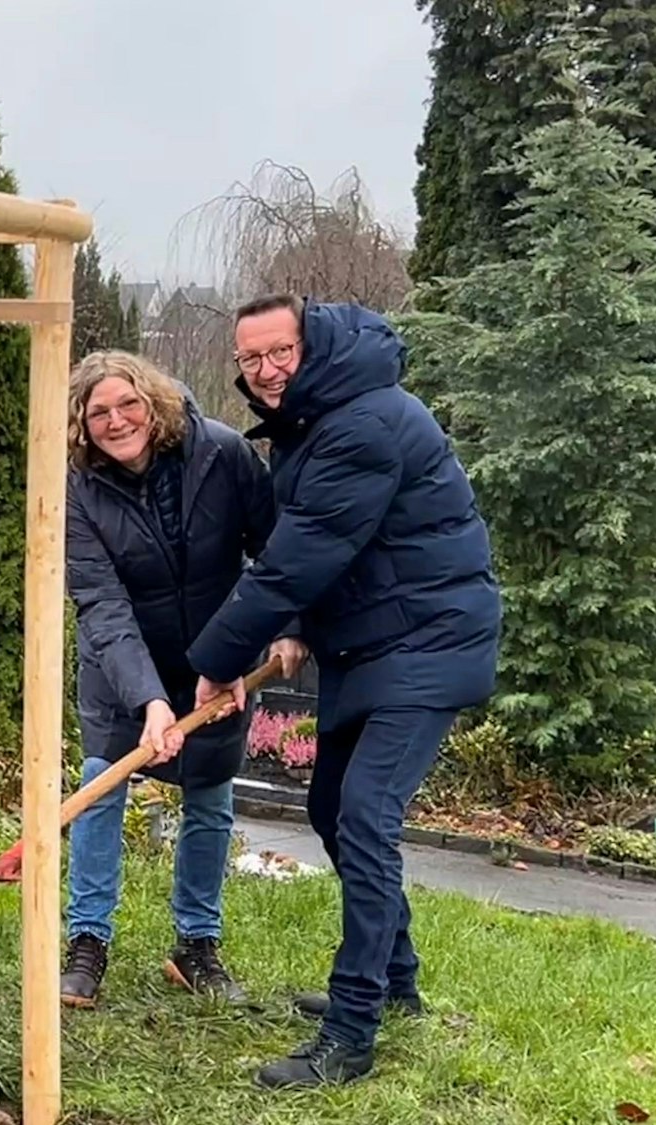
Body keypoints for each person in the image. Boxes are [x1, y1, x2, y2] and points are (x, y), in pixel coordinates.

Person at [187, 295, 501, 1089]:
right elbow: (318, 544)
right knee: (331, 808)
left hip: (426, 640)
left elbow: (299, 557)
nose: (266, 370)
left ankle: (352, 1031)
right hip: (374, 642)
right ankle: (396, 982)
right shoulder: (318, 419)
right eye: (251, 358)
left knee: (364, 817)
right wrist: (293, 624)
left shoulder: (363, 422)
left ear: (313, 345)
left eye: (280, 352)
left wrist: (219, 659)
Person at [59, 349, 308, 1010]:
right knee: (101, 781)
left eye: (128, 404)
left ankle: (196, 944)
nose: (117, 421)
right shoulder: (78, 488)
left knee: (210, 791)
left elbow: (277, 548)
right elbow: (102, 603)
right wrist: (147, 699)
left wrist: (285, 627)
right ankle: (87, 942)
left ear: (153, 402)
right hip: (121, 661)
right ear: (82, 425)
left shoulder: (221, 453)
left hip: (219, 655)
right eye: (99, 413)